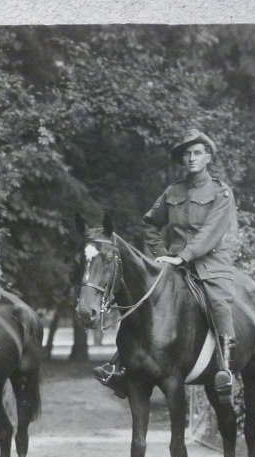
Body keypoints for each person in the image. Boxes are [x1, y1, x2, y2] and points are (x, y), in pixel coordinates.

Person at [93, 129, 239, 401]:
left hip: (210, 264)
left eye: (197, 153)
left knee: (218, 301)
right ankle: (121, 365)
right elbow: (150, 223)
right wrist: (162, 253)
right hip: (174, 265)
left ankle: (225, 368)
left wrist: (183, 256)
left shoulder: (221, 192)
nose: (192, 158)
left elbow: (210, 232)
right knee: (143, 303)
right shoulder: (173, 191)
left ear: (208, 157)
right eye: (187, 153)